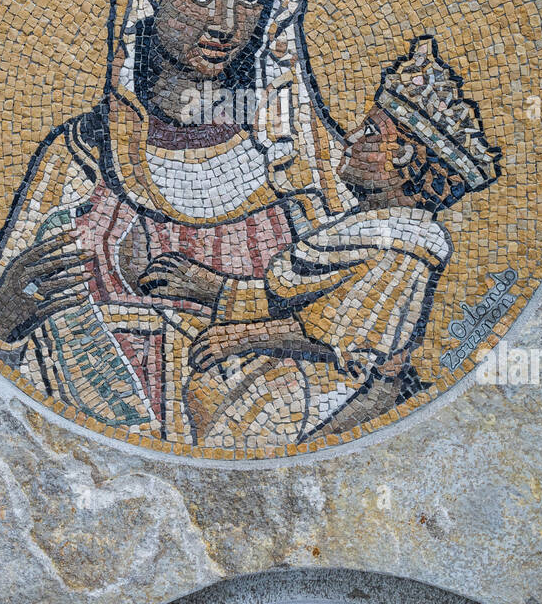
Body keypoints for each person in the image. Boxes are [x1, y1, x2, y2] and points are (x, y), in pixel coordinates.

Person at [0, 0, 353, 444]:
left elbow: (368, 336)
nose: (226, 23)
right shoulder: (82, 157)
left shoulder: (300, 163)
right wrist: (3, 318)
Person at [140, 36, 502, 449]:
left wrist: (241, 337)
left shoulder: (404, 249)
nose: (351, 137)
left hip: (324, 392)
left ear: (402, 157)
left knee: (230, 428)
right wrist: (209, 287)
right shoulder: (366, 230)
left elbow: (333, 332)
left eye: (370, 132)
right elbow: (298, 299)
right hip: (288, 373)